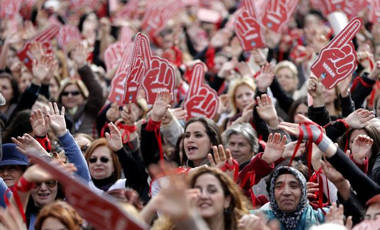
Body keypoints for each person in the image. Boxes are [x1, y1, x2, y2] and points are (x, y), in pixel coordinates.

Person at [259, 166, 326, 230]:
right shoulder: (257, 220)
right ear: (272, 192)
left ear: (303, 191)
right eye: (279, 186)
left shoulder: (323, 219)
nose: (286, 192)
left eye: (293, 186)